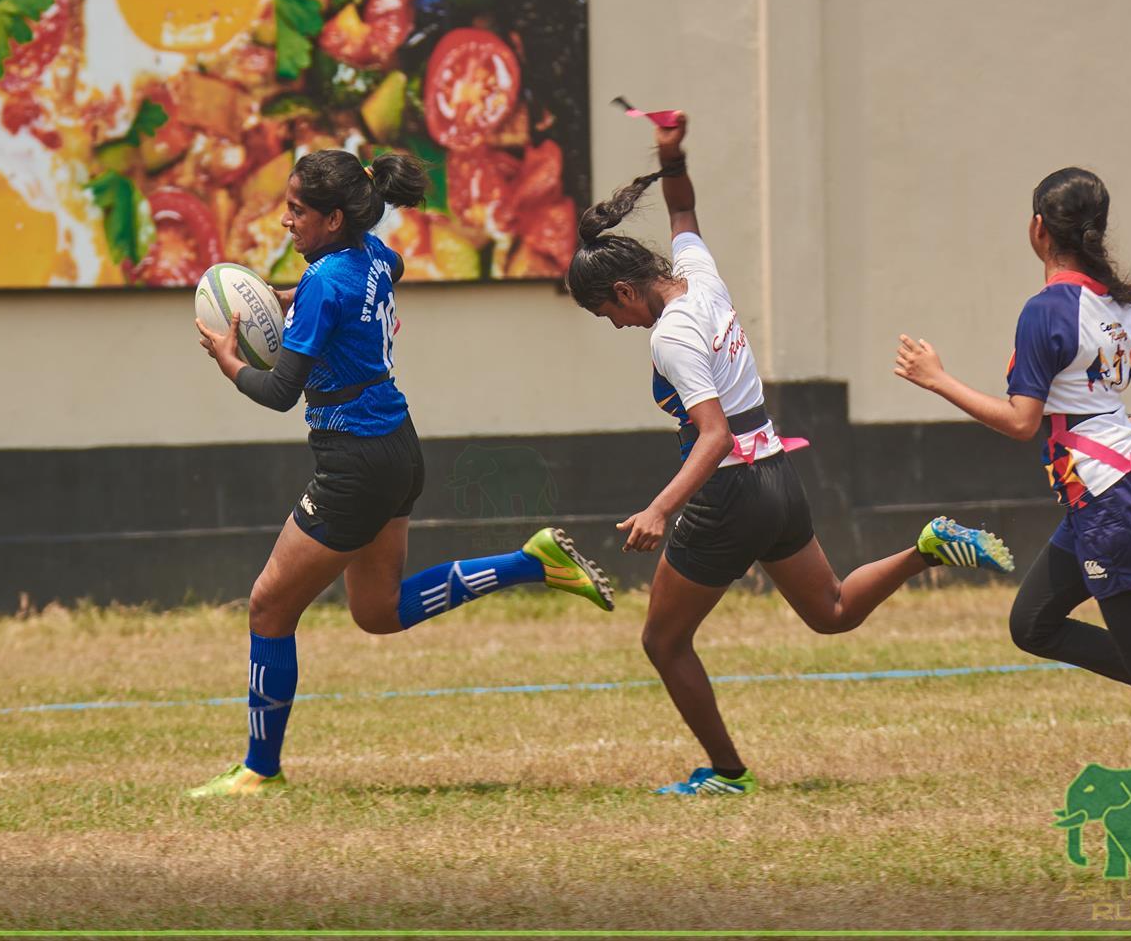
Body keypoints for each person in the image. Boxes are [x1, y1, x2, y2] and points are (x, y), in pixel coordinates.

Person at [566, 113, 1014, 796]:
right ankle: (926, 547)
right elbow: (683, 207)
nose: (618, 325)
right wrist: (671, 152)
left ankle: (727, 772)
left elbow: (713, 435)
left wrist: (660, 508)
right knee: (830, 609)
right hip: (777, 473)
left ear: (625, 291)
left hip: (730, 489)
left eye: (609, 313)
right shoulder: (698, 278)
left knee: (662, 641)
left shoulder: (670, 336)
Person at [188, 148, 614, 797]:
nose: (285, 222)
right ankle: (535, 562)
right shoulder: (371, 257)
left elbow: (278, 393)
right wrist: (293, 297)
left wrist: (226, 358)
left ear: (332, 217)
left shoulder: (327, 282)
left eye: (297, 211)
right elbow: (382, 270)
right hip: (397, 447)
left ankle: (258, 769)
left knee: (269, 606)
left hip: (354, 464)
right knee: (378, 610)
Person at [895, 166, 1131, 843]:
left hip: (1112, 499)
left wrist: (938, 380)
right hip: (1119, 487)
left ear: (1038, 228)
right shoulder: (1121, 302)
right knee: (1032, 622)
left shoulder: (1048, 309)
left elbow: (1021, 421)